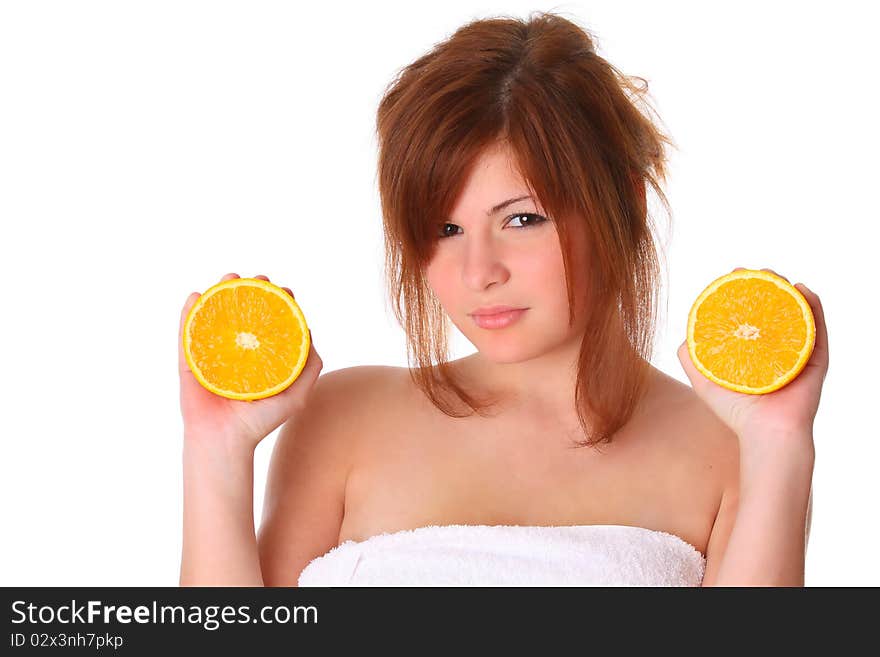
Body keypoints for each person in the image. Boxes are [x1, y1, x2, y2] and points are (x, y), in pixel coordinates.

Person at [178, 11, 826, 587]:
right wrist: (215, 449)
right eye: (444, 229)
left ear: (622, 204)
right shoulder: (339, 419)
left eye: (521, 219)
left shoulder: (731, 446)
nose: (477, 271)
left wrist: (780, 443)